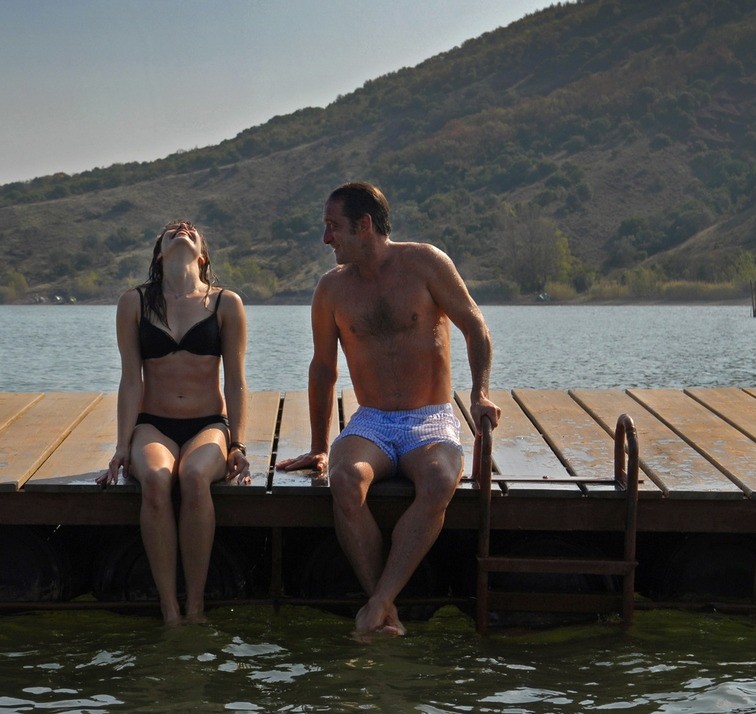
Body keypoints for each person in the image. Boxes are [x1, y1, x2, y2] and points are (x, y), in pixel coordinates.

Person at [276, 182, 501, 636]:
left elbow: (475, 326)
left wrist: (479, 393)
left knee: (440, 479)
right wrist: (320, 446)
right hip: (373, 421)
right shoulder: (331, 289)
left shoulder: (425, 263)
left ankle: (378, 604)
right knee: (344, 479)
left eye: (333, 226)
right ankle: (383, 608)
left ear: (364, 225)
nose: (326, 239)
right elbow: (323, 369)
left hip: (430, 417)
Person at [97, 219, 250, 626]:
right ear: (159, 254)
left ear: (202, 256)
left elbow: (235, 381)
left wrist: (237, 443)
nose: (182, 227)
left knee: (195, 476)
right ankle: (169, 609)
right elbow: (131, 380)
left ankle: (195, 605)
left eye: (190, 228)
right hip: (153, 424)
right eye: (171, 229)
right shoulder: (134, 302)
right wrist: (121, 446)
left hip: (208, 424)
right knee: (156, 478)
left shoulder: (226, 303)